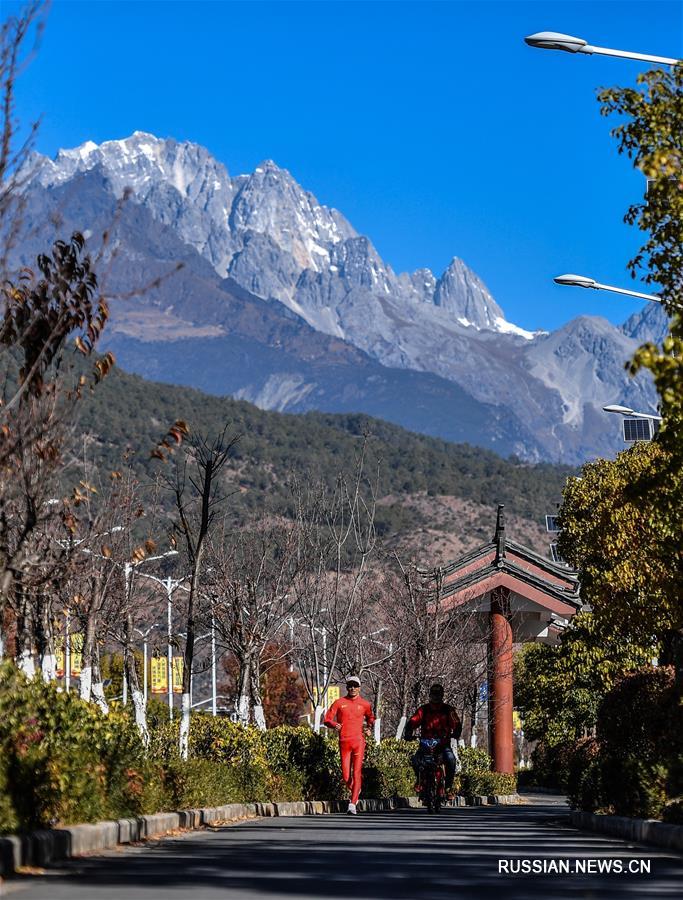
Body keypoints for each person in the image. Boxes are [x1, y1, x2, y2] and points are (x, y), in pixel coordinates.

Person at [324, 675, 376, 815]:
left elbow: (371, 718)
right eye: (350, 686)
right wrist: (334, 724)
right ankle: (355, 789)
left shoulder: (365, 704)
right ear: (347, 687)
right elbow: (327, 719)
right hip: (344, 742)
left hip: (358, 742)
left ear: (359, 688)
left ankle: (352, 804)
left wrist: (368, 727)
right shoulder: (339, 702)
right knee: (346, 776)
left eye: (355, 686)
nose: (352, 688)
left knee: (357, 772)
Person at [405, 683, 462, 801]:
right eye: (434, 694)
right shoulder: (423, 710)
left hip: (443, 744)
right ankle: (419, 781)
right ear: (430, 695)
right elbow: (413, 721)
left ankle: (448, 787)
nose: (436, 697)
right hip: (426, 743)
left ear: (442, 695)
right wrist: (408, 733)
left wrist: (455, 733)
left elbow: (456, 723)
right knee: (415, 760)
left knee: (451, 760)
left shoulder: (448, 710)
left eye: (438, 694)